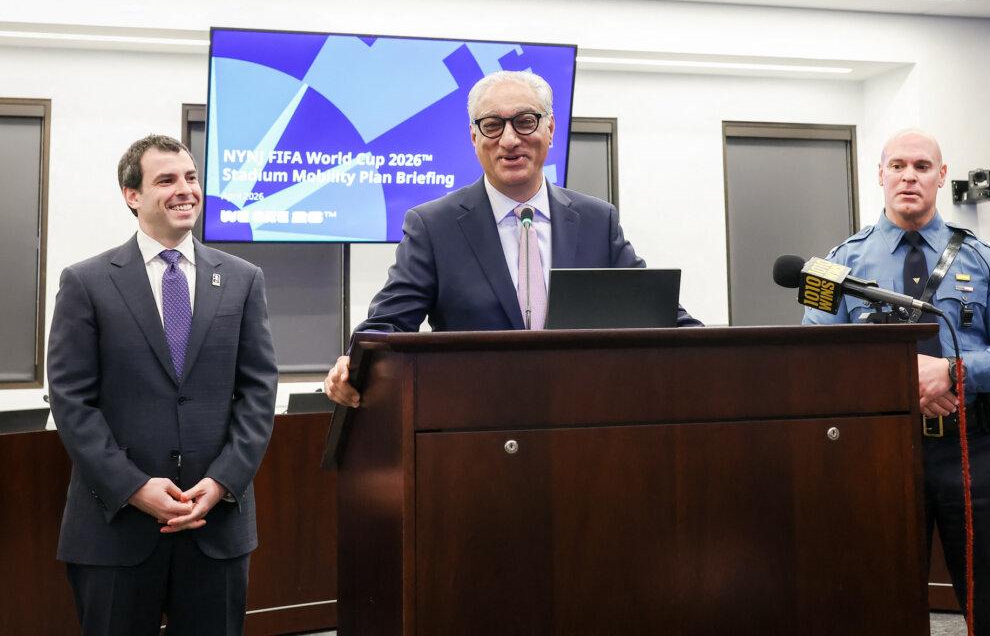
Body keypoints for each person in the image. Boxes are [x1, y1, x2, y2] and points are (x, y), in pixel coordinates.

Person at [325, 70, 700, 406]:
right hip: (474, 424)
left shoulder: (596, 221)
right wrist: (352, 365)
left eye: (524, 122)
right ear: (474, 137)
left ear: (550, 129)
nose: (509, 139)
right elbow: (387, 326)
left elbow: (655, 313)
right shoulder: (434, 226)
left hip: (581, 416)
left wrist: (714, 352)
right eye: (492, 125)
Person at [804, 129, 990, 635]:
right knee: (875, 606)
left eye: (921, 166)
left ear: (941, 175)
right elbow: (814, 365)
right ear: (880, 175)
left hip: (977, 448)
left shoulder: (985, 259)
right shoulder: (834, 266)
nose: (908, 176)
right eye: (897, 166)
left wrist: (953, 372)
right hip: (879, 454)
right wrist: (906, 384)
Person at [47, 134, 278, 635]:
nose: (185, 190)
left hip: (215, 524)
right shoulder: (86, 282)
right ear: (132, 195)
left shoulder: (243, 279)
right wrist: (133, 487)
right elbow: (71, 400)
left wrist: (222, 481)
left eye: (191, 178)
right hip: (115, 528)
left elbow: (259, 392)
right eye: (167, 180)